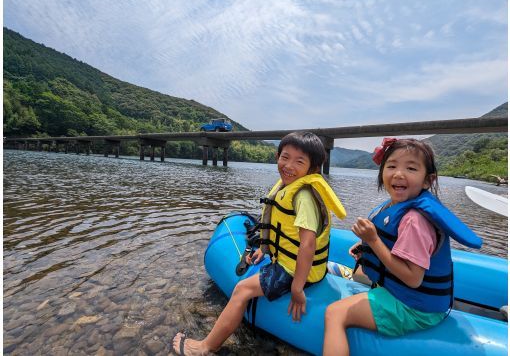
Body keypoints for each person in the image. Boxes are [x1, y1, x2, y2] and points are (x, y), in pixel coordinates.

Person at [173, 131, 347, 355]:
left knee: (242, 289)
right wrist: (264, 249)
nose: (288, 165)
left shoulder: (303, 197)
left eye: (299, 161)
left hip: (294, 271)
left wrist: (296, 288)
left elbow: (307, 245)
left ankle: (206, 347)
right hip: (286, 260)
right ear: (277, 156)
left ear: (312, 169)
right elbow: (282, 229)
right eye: (285, 157)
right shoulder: (286, 187)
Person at [323, 138, 482, 356]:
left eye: (411, 168)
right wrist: (366, 245)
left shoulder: (415, 220)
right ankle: (346, 274)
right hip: (401, 293)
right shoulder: (396, 205)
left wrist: (374, 241)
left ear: (428, 180)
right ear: (382, 173)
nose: (399, 173)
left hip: (415, 307)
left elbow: (412, 279)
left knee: (334, 313)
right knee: (360, 273)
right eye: (392, 166)